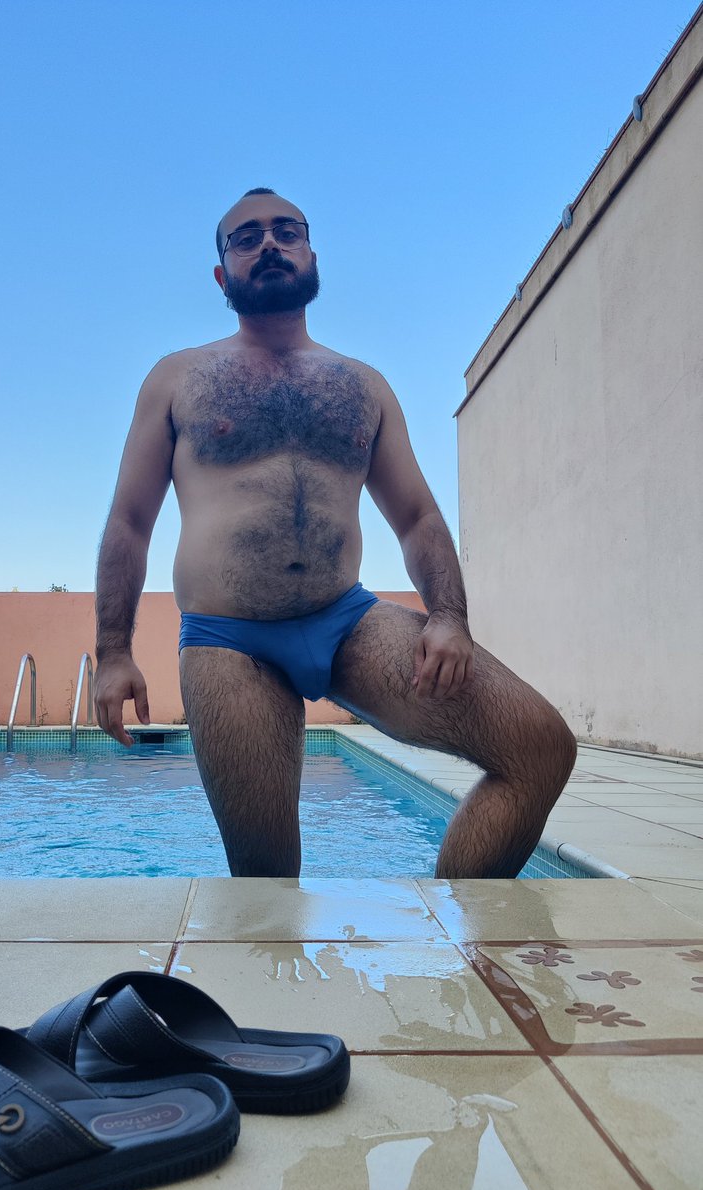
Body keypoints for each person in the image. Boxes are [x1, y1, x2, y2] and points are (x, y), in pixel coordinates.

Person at [93, 187, 577, 879]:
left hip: (348, 623)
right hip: (229, 641)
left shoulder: (363, 385)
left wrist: (449, 615)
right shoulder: (177, 379)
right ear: (222, 274)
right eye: (246, 237)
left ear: (311, 255)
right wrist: (113, 651)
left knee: (541, 749)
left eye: (286, 230)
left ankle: (457, 932)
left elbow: (417, 517)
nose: (269, 243)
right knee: (267, 881)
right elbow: (128, 523)